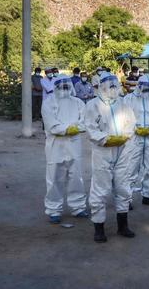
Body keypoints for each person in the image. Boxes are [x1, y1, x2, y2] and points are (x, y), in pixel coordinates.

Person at [84, 72, 136, 243]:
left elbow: (131, 123)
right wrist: (105, 139)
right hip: (103, 151)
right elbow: (90, 128)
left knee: (123, 186)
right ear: (101, 87)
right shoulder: (92, 105)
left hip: (122, 150)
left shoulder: (123, 103)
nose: (113, 89)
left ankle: (123, 225)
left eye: (115, 85)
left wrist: (124, 136)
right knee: (100, 189)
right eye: (109, 86)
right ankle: (99, 227)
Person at [41, 75, 89, 224]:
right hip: (55, 145)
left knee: (76, 177)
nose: (64, 88)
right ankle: (54, 209)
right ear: (55, 87)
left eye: (67, 85)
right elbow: (51, 125)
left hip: (74, 144)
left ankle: (78, 207)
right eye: (61, 86)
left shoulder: (78, 102)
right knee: (54, 178)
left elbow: (84, 122)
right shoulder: (48, 103)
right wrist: (68, 128)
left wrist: (75, 128)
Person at [123, 75, 149, 207]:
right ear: (138, 86)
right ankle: (126, 199)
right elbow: (124, 118)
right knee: (132, 167)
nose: (147, 91)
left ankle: (148, 195)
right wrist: (134, 129)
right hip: (135, 136)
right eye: (144, 88)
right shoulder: (128, 99)